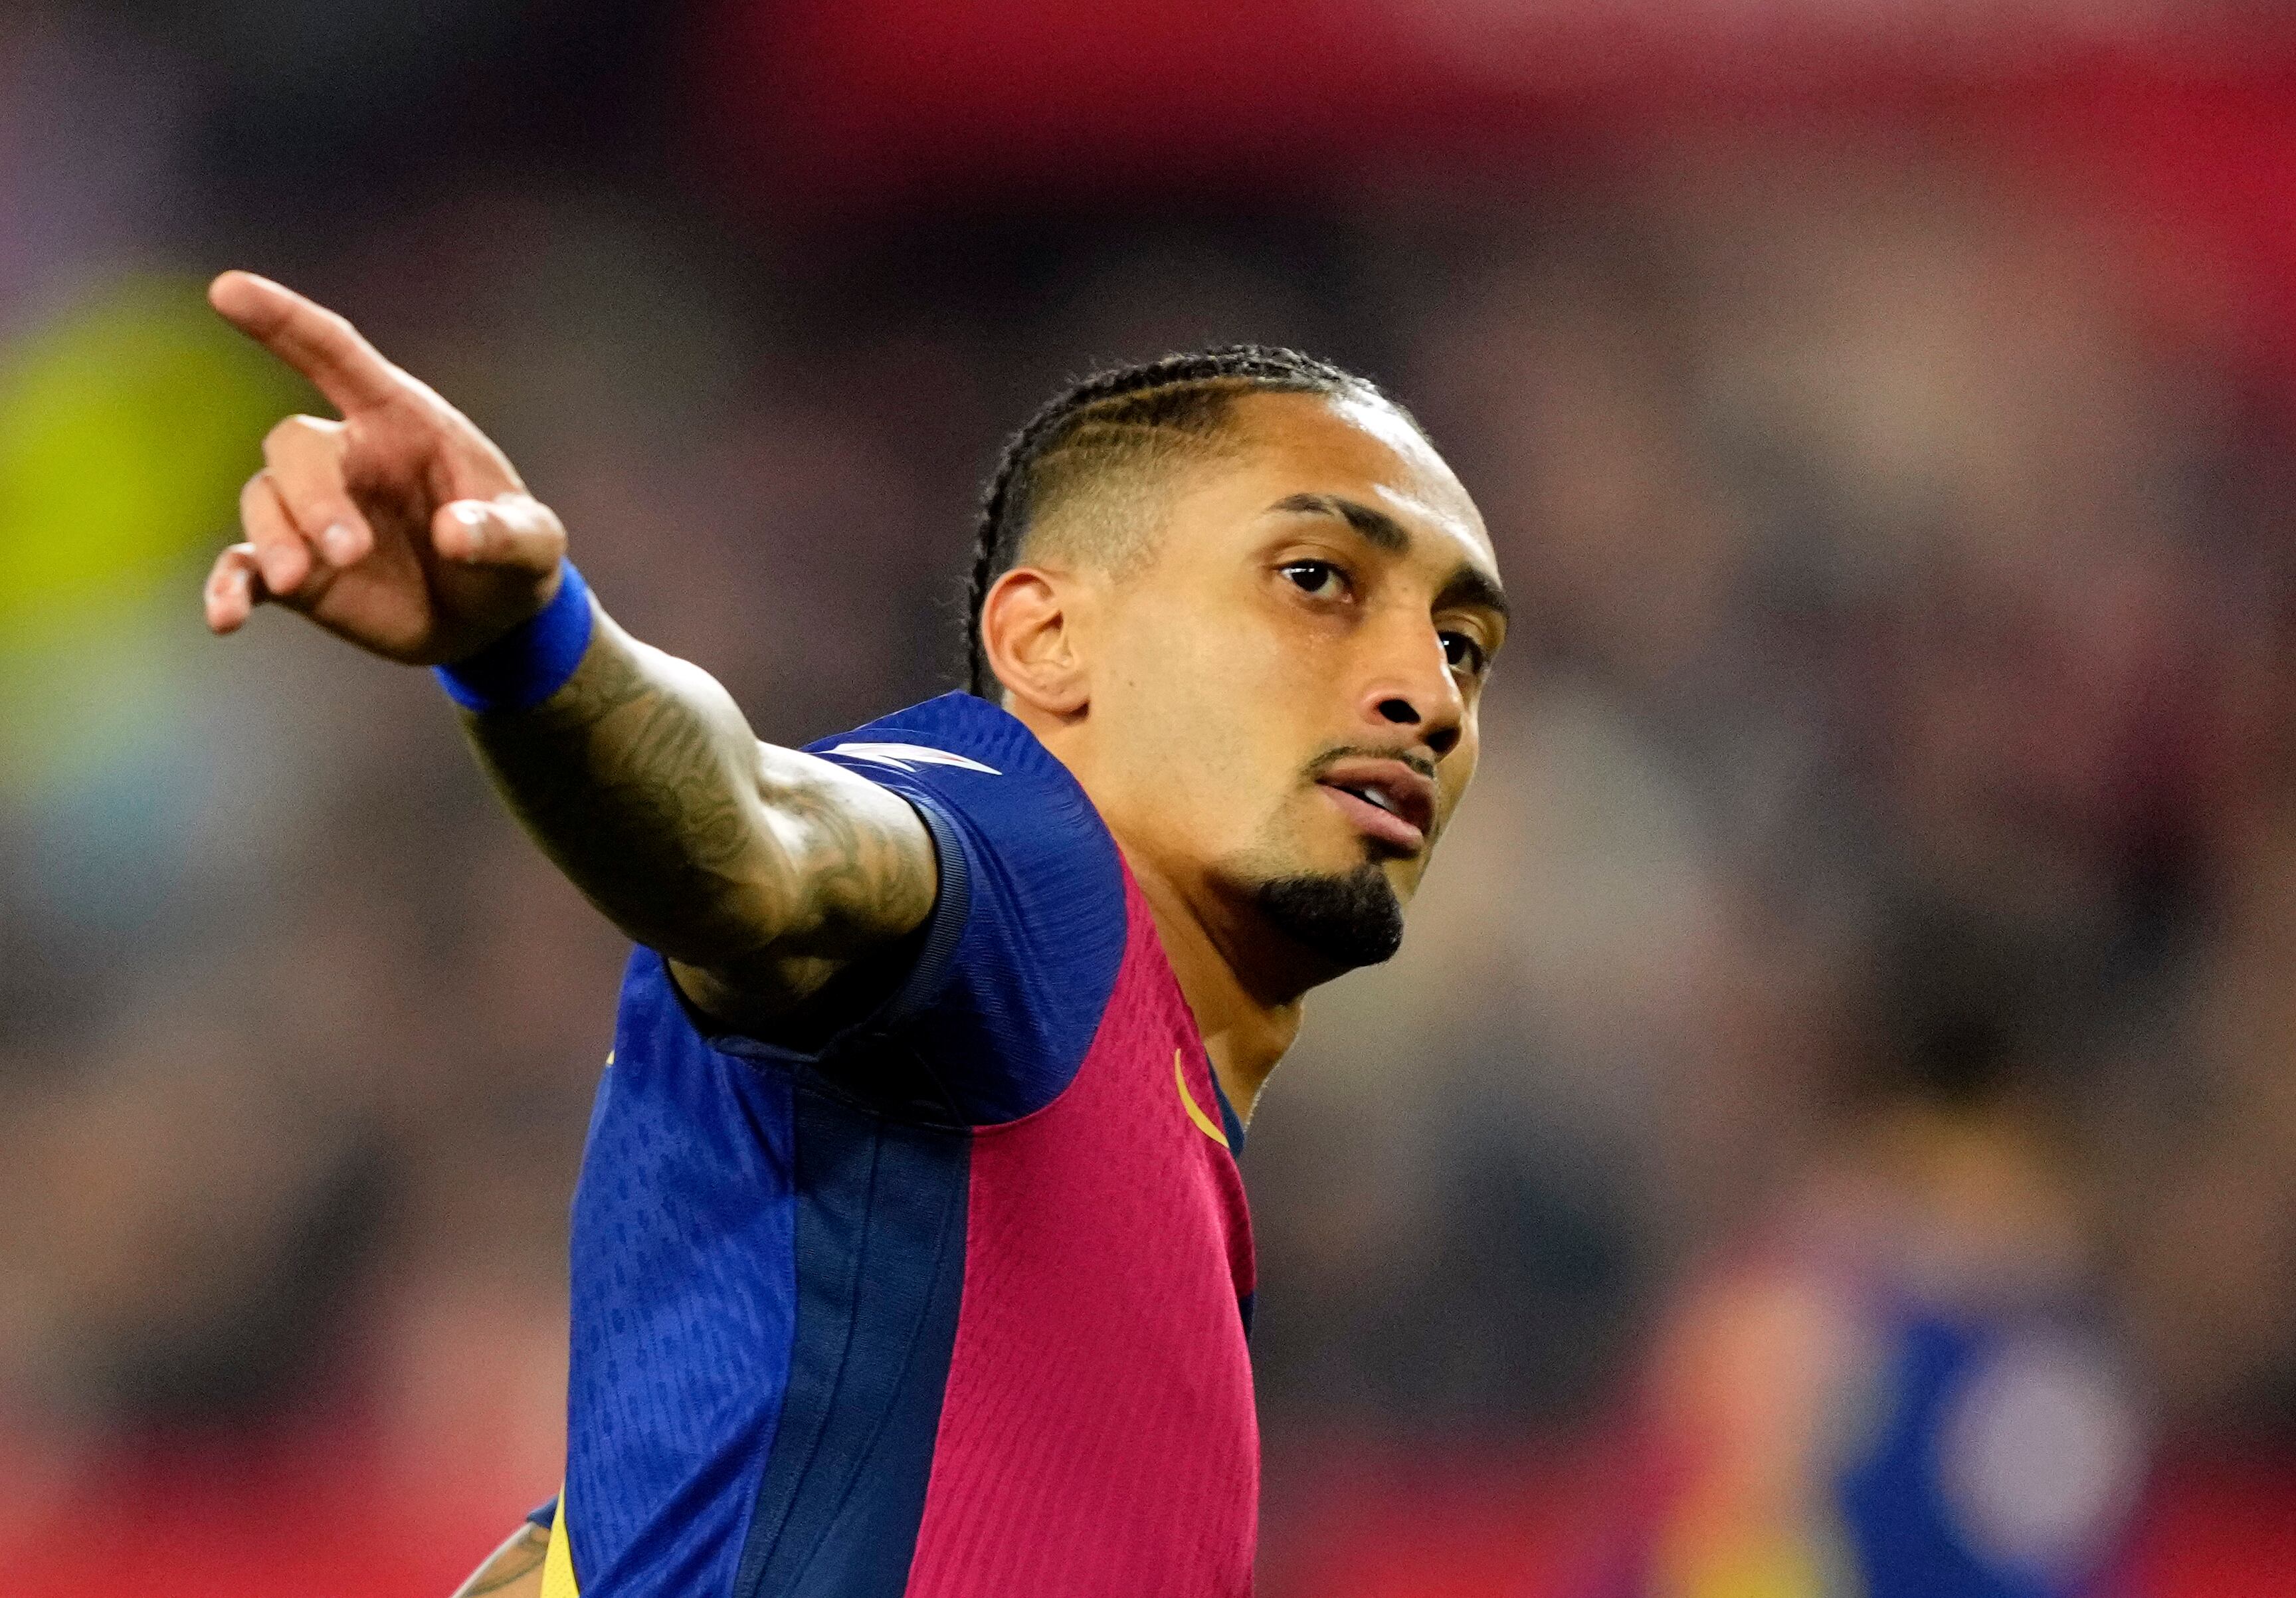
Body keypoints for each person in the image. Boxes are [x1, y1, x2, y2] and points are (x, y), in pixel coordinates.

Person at [201, 272, 1508, 1598]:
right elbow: (765, 839)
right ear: (1047, 640)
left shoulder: (1127, 1127)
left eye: (1463, 645)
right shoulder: (1026, 863)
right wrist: (532, 647)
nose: (1428, 697)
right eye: (1315, 579)